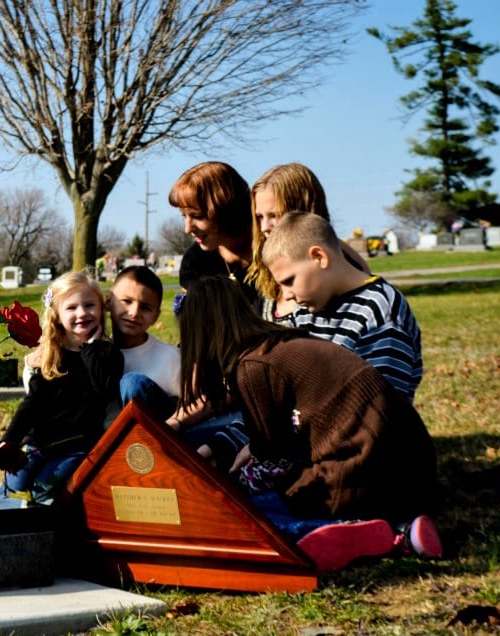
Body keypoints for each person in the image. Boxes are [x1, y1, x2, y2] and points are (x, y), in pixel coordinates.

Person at [177, 276, 442, 572]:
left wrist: (227, 485)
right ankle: (394, 527)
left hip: (361, 472)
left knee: (238, 515)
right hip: (413, 471)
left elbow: (273, 459)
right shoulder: (283, 343)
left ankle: (374, 534)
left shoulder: (253, 367)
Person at [0, 271, 123, 505]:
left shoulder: (107, 354)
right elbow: (32, 404)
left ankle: (40, 533)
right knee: (11, 491)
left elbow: (105, 389)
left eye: (89, 305)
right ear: (57, 316)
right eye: (71, 308)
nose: (82, 313)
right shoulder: (51, 355)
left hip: (78, 447)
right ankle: (2, 532)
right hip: (40, 443)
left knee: (43, 491)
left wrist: (91, 347)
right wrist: (10, 439)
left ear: (101, 309)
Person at [262, 211, 423, 402]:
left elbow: (382, 404)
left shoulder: (379, 310)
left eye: (289, 281)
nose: (286, 294)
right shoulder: (306, 311)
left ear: (319, 257)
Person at [246, 163, 369, 320]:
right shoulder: (266, 270)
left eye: (274, 215)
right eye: (260, 217)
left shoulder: (334, 269)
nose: (264, 227)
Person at [168, 162, 259, 305]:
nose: (187, 229)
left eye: (197, 216)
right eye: (184, 216)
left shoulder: (272, 254)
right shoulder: (194, 262)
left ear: (227, 210)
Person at [108, 265, 180, 422]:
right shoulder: (94, 353)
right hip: (108, 440)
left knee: (132, 384)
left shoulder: (172, 358)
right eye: (126, 301)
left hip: (157, 438)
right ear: (108, 301)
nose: (134, 313)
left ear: (156, 316)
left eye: (145, 308)